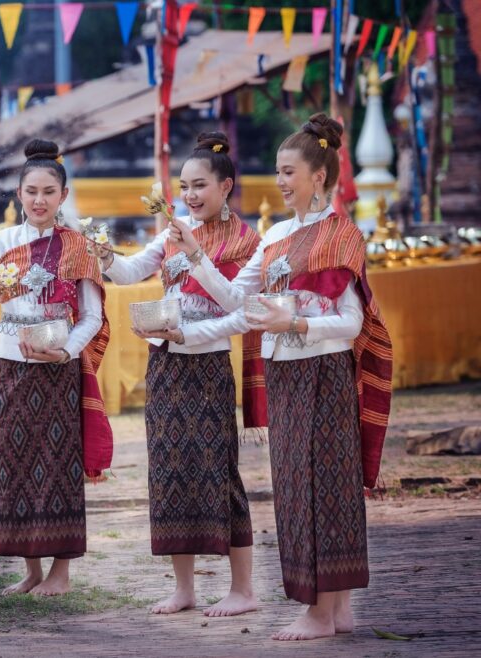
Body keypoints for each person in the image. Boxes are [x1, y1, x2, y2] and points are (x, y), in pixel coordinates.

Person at [168, 114, 392, 641]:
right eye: (278, 172)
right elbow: (235, 299)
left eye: (289, 171)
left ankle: (327, 609)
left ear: (319, 176)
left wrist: (295, 322)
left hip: (324, 372)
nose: (281, 181)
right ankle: (330, 610)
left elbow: (353, 322)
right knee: (295, 490)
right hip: (284, 373)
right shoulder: (274, 236)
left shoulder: (342, 235)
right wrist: (196, 253)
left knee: (328, 489)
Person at [94, 133, 261, 617]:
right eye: (184, 187)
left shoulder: (244, 239)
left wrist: (194, 257)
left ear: (225, 186)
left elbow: (239, 307)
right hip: (165, 363)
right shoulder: (172, 230)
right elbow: (129, 274)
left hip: (207, 366)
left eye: (199, 186)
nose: (189, 196)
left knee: (218, 471)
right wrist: (103, 253)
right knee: (167, 472)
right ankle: (184, 588)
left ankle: (243, 590)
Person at [0, 139, 113, 597]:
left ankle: (60, 573)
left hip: (56, 369)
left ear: (63, 196)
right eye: (31, 191)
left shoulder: (78, 247)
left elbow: (90, 317)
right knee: (15, 462)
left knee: (58, 463)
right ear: (19, 194)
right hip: (7, 364)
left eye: (49, 192)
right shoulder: (0, 241)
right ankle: (30, 569)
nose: (39, 200)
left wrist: (66, 352)